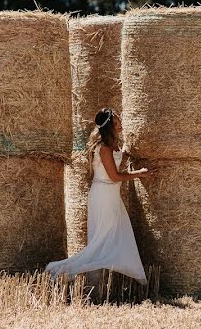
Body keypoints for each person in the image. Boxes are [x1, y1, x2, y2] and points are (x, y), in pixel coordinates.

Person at [46, 108, 154, 283]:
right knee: (102, 241)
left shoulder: (111, 145)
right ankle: (60, 270)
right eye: (118, 120)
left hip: (110, 194)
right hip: (103, 194)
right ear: (111, 124)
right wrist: (139, 173)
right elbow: (114, 176)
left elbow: (115, 168)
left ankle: (106, 282)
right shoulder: (104, 148)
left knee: (115, 236)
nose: (121, 123)